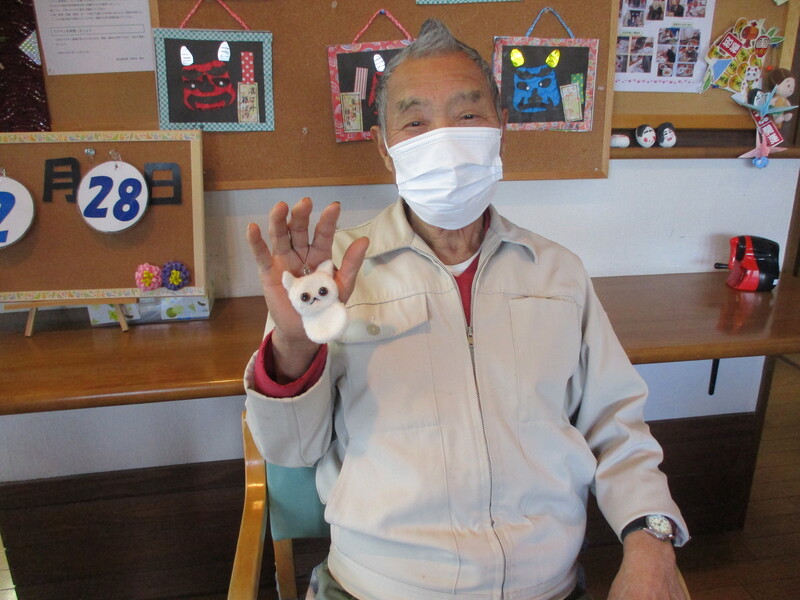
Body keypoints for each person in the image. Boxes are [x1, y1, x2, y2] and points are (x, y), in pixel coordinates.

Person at [244, 18, 689, 600]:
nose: (446, 139)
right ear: (385, 149)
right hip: (377, 587)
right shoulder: (328, 282)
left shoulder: (557, 272)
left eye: (469, 115)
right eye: (415, 122)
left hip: (548, 585)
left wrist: (651, 540)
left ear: (500, 132)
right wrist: (294, 343)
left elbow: (617, 426)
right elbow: (289, 449)